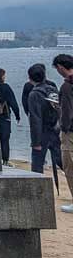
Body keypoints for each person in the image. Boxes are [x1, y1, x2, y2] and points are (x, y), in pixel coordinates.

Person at [25, 62, 63, 188]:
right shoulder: (52, 89)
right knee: (62, 161)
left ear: (30, 78)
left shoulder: (34, 94)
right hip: (56, 129)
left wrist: (35, 142)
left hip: (43, 132)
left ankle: (37, 189)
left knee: (37, 162)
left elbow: (35, 119)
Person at [53, 54, 73, 214]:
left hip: (70, 131)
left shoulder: (67, 86)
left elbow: (67, 111)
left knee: (69, 164)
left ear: (60, 67)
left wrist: (63, 127)